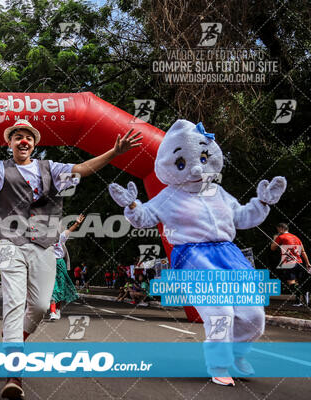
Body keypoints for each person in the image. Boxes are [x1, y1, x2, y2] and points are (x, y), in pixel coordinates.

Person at [0, 119, 141, 398]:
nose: (23, 141)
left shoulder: (51, 169)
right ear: (9, 143)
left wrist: (114, 153)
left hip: (43, 245)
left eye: (28, 137)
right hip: (11, 244)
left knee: (42, 305)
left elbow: (82, 169)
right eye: (17, 136)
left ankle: (15, 337)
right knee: (13, 304)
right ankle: (14, 375)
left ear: (34, 144)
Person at [109, 119, 287, 386]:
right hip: (194, 260)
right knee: (221, 314)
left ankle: (238, 355)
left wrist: (262, 203)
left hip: (229, 257)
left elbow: (241, 217)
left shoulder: (216, 190)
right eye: (181, 163)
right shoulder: (169, 196)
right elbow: (145, 217)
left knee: (254, 317)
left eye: (202, 158)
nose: (194, 167)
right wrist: (133, 205)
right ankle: (218, 364)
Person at [49, 214, 84, 321]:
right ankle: (53, 311)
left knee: (60, 288)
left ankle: (57, 309)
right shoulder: (44, 238)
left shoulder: (61, 236)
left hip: (60, 264)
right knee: (52, 288)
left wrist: (77, 223)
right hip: (48, 264)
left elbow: (70, 230)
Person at [270, 223, 311, 306]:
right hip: (299, 262)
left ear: (281, 229)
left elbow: (272, 248)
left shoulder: (280, 237)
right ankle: (300, 299)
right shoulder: (296, 237)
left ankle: (302, 296)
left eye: (278, 229)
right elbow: (303, 251)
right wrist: (308, 263)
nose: (278, 231)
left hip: (288, 263)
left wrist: (274, 239)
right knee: (296, 282)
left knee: (291, 282)